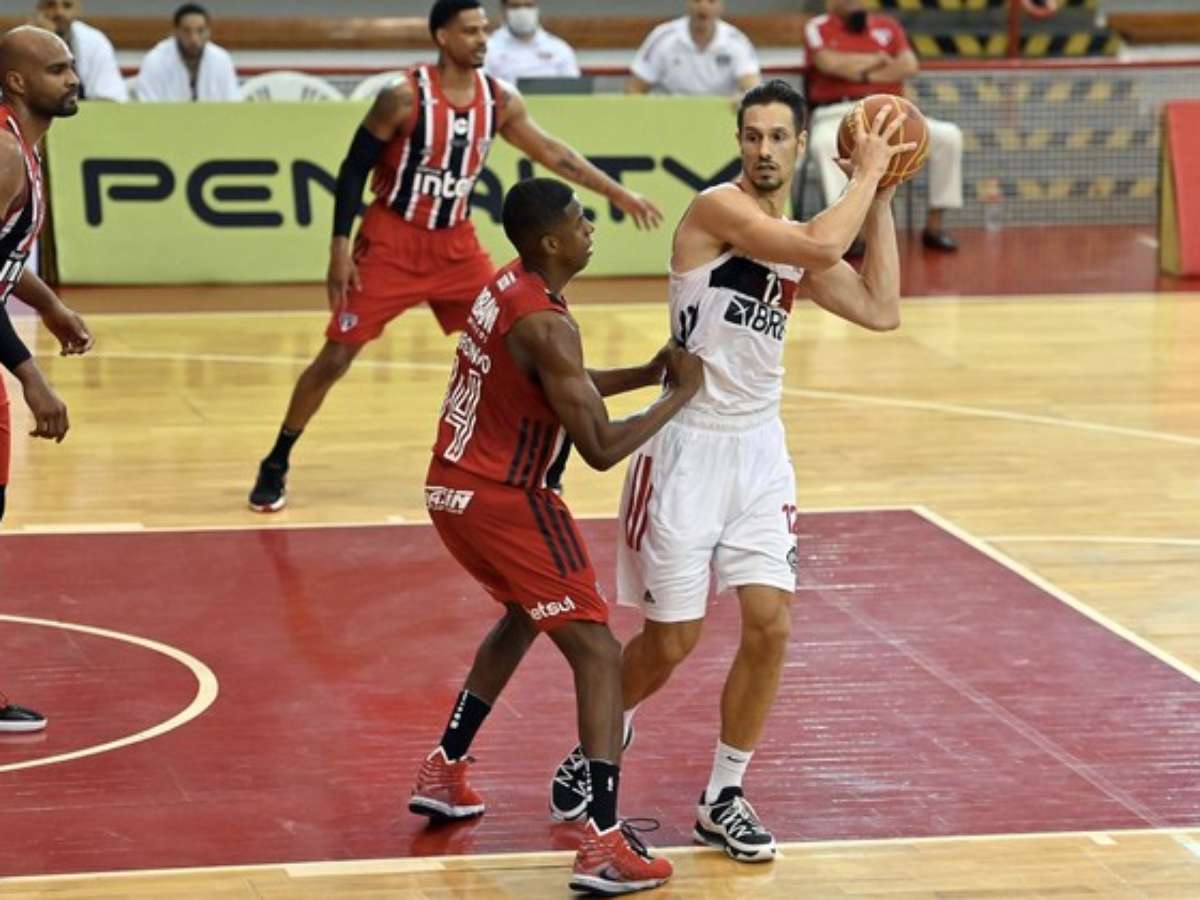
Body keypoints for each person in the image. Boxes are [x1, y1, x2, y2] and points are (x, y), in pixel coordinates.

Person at [548, 79, 914, 862]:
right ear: (739, 140)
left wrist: (880, 192)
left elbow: (883, 308)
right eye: (753, 135)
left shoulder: (797, 237)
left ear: (801, 141)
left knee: (770, 625)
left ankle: (724, 794)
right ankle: (596, 743)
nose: (764, 149)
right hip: (685, 447)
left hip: (757, 452)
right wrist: (863, 176)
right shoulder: (718, 211)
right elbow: (819, 247)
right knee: (671, 641)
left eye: (780, 137)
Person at [247, 0, 662, 513]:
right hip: (391, 239)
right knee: (335, 356)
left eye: (485, 29)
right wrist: (338, 247)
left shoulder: (499, 101)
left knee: (526, 340)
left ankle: (547, 467)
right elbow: (354, 169)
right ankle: (278, 457)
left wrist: (618, 194)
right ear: (443, 37)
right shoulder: (401, 98)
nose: (483, 39)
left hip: (455, 245)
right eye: (471, 31)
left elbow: (554, 154)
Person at [414, 177, 702, 895]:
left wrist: (643, 371)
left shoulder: (509, 286)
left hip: (450, 489)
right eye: (578, 220)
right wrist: (678, 394)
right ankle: (603, 843)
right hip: (508, 499)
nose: (589, 226)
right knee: (600, 652)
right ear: (550, 242)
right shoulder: (545, 323)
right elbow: (600, 447)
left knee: (521, 614)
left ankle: (444, 767)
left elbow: (557, 381)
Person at [0, 25, 95, 732]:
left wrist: (51, 305)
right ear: (18, 82)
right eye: (59, 69)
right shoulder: (3, 155)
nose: (73, 78)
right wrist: (31, 375)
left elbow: (4, 256)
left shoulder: (24, 147)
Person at [804, 0, 963, 252]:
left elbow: (909, 65)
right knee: (824, 144)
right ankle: (851, 234)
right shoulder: (817, 26)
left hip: (891, 111)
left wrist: (862, 73)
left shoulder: (888, 26)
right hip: (838, 111)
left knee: (949, 136)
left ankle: (934, 226)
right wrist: (879, 59)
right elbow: (829, 63)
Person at [628, 0, 761, 98]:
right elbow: (634, 90)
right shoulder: (662, 37)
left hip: (723, 120)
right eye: (697, 0)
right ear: (687, 3)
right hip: (670, 120)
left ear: (721, 6)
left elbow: (753, 89)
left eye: (711, 1)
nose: (703, 6)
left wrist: (743, 99)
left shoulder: (737, 41)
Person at [135, 3, 239, 103]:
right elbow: (147, 105)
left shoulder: (222, 60)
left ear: (208, 32)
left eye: (200, 30)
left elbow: (233, 104)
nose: (194, 38)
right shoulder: (155, 61)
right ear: (175, 32)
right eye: (186, 31)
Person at [31, 0, 127, 102]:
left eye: (67, 5)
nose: (59, 12)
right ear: (39, 9)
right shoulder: (22, 44)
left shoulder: (95, 41)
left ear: (78, 10)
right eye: (50, 5)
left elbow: (110, 99)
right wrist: (45, 42)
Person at [483, 0, 580, 86]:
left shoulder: (559, 49)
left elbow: (573, 88)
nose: (523, 11)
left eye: (528, 5)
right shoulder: (488, 49)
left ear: (537, 8)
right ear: (503, 10)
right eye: (515, 6)